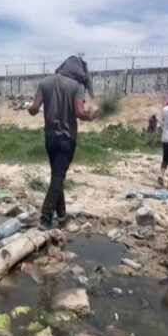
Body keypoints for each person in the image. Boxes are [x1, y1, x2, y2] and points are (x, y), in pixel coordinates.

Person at [28, 56, 98, 231]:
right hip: (67, 138)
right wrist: (93, 115)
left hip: (50, 138)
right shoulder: (77, 86)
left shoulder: (45, 83)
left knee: (56, 176)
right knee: (58, 177)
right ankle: (45, 218)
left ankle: (62, 217)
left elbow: (34, 109)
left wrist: (30, 108)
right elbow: (80, 113)